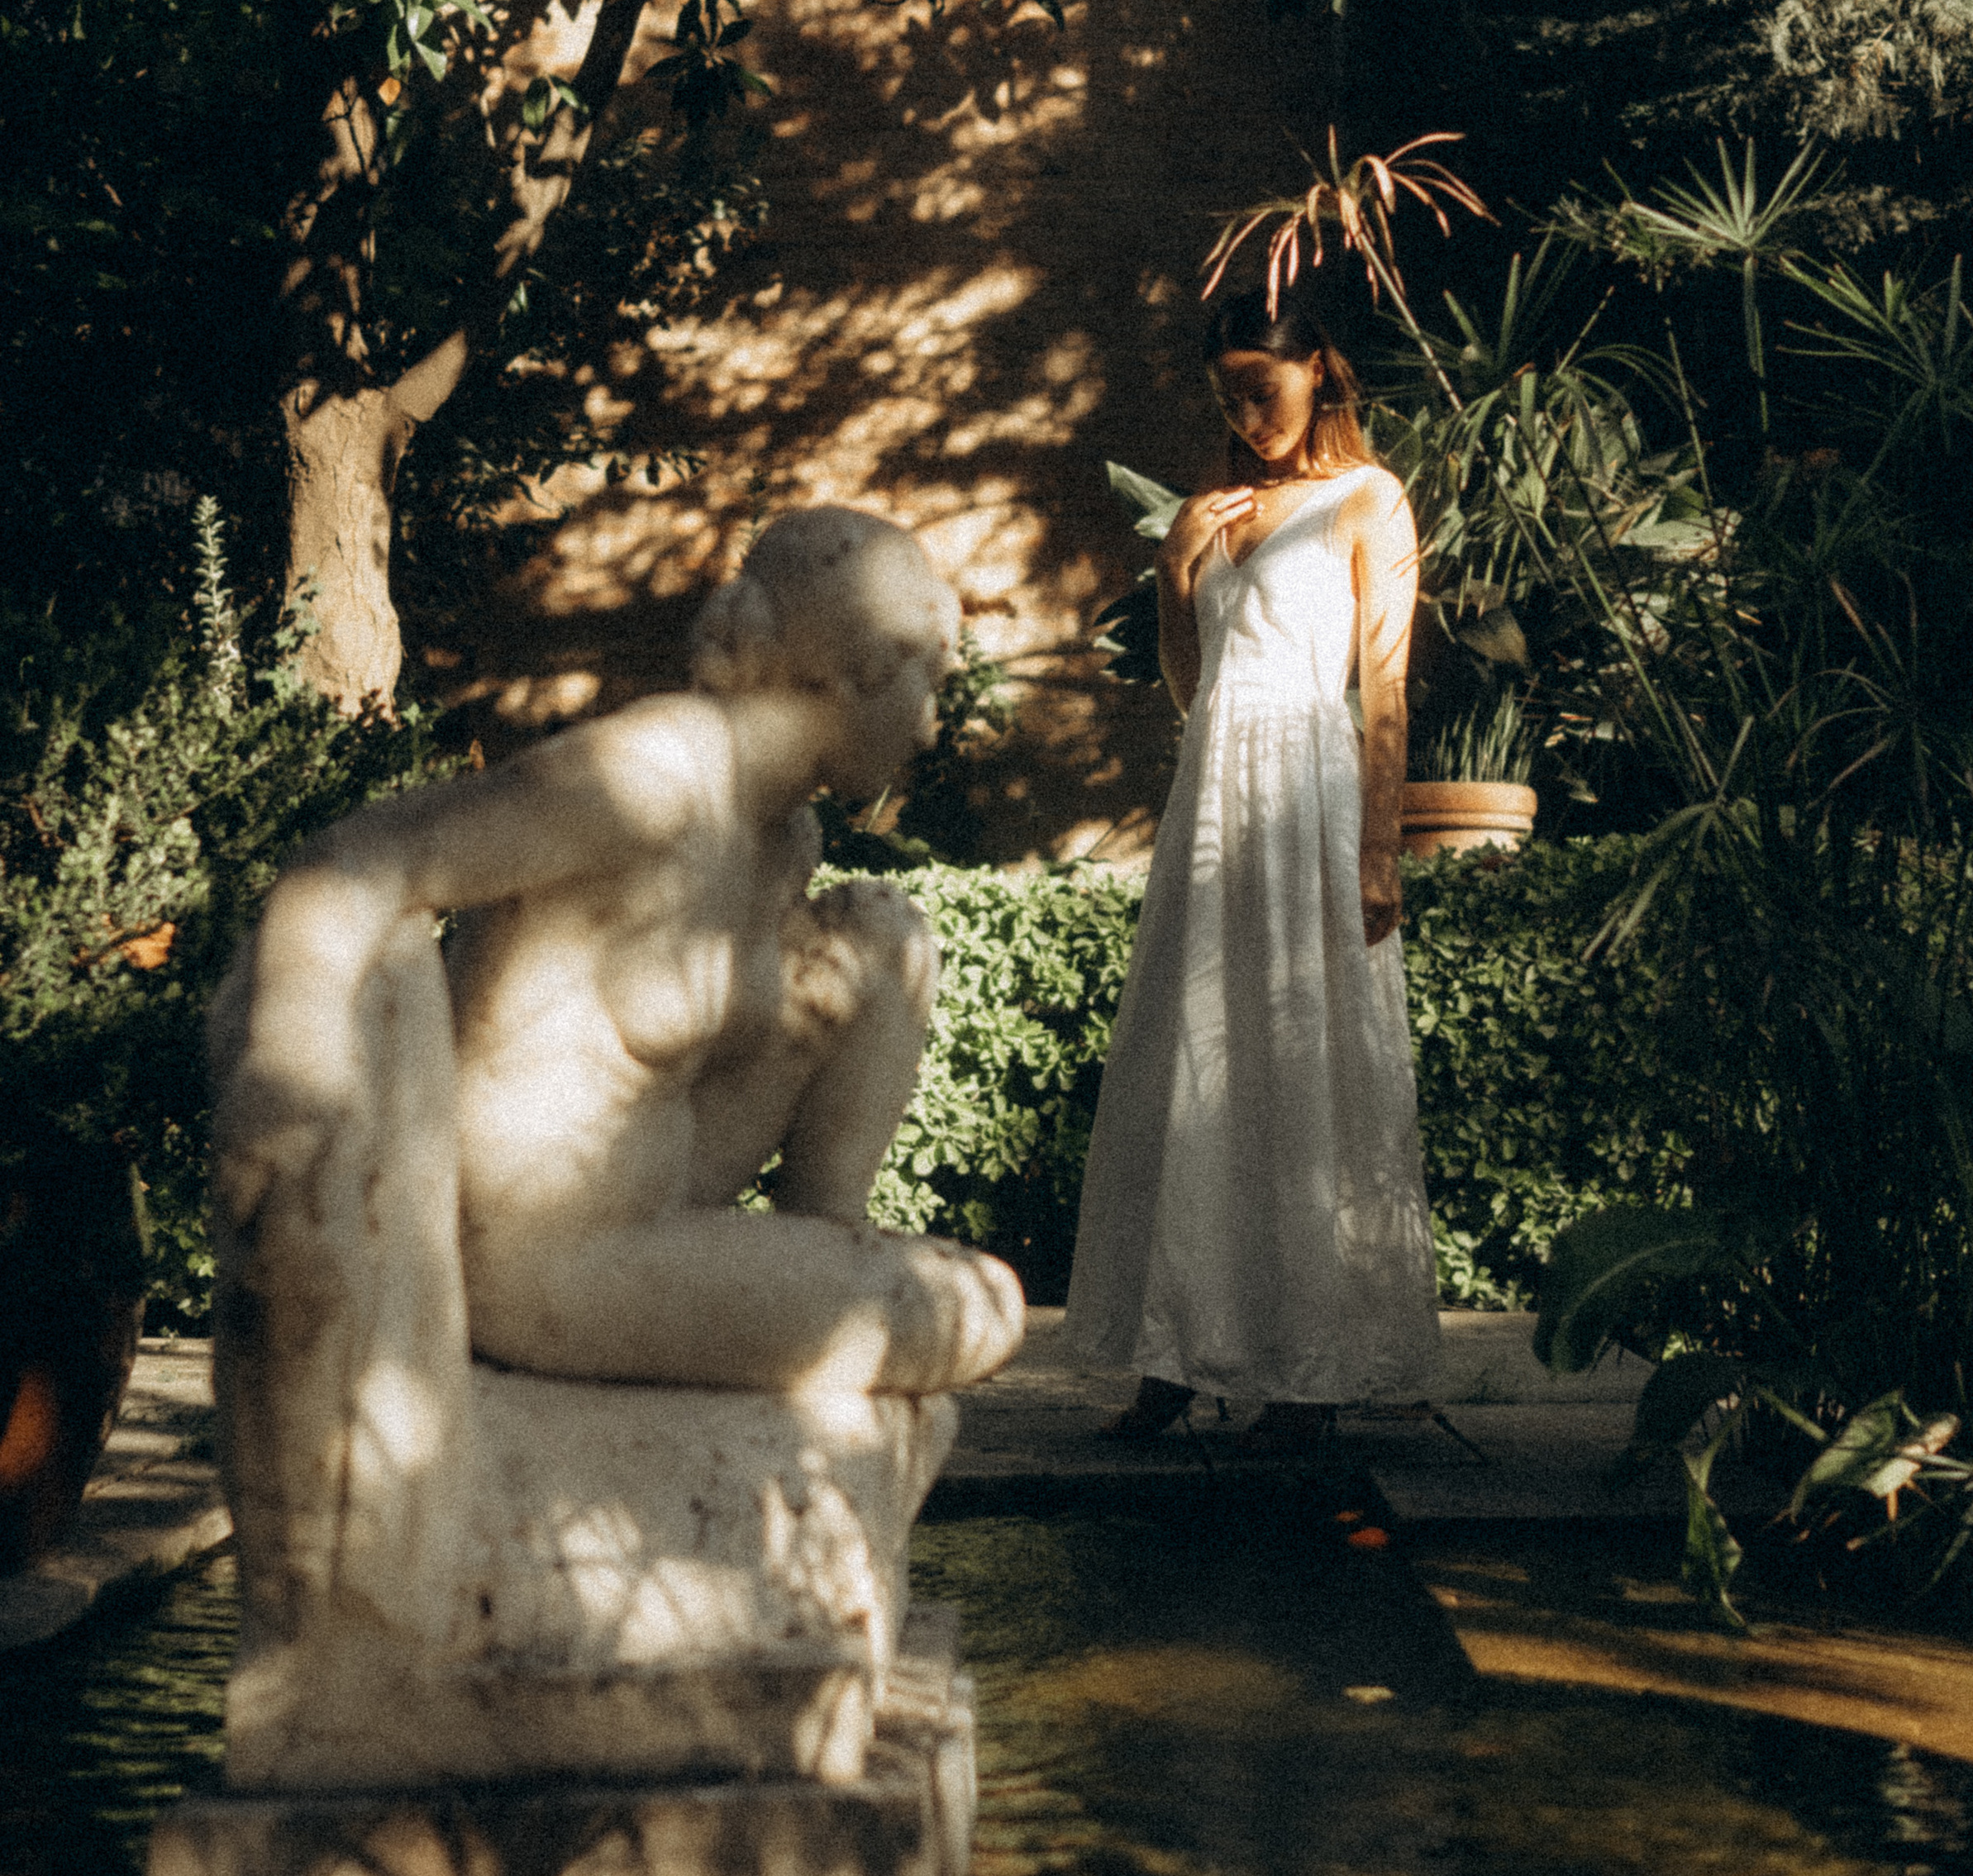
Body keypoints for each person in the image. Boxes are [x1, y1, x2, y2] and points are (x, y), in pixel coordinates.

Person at [214, 507, 1022, 1402]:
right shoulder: (647, 780)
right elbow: (351, 863)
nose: (928, 731)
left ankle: (826, 1236)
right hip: (531, 1257)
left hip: (660, 1196)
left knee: (882, 931)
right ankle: (813, 1281)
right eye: (927, 687)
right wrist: (286, 1074)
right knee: (972, 1308)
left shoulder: (781, 838)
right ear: (849, 673)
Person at [1064, 293, 1442, 1445]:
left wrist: (1378, 853)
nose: (1247, 411)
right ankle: (1175, 1353)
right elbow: (1193, 694)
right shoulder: (1209, 510)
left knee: (1299, 1059)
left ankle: (1305, 1373)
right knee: (1190, 1056)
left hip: (1311, 798)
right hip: (1215, 800)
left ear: (1320, 371)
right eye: (1228, 393)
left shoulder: (1368, 501)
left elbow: (1384, 690)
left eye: (1263, 389)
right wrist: (1181, 571)